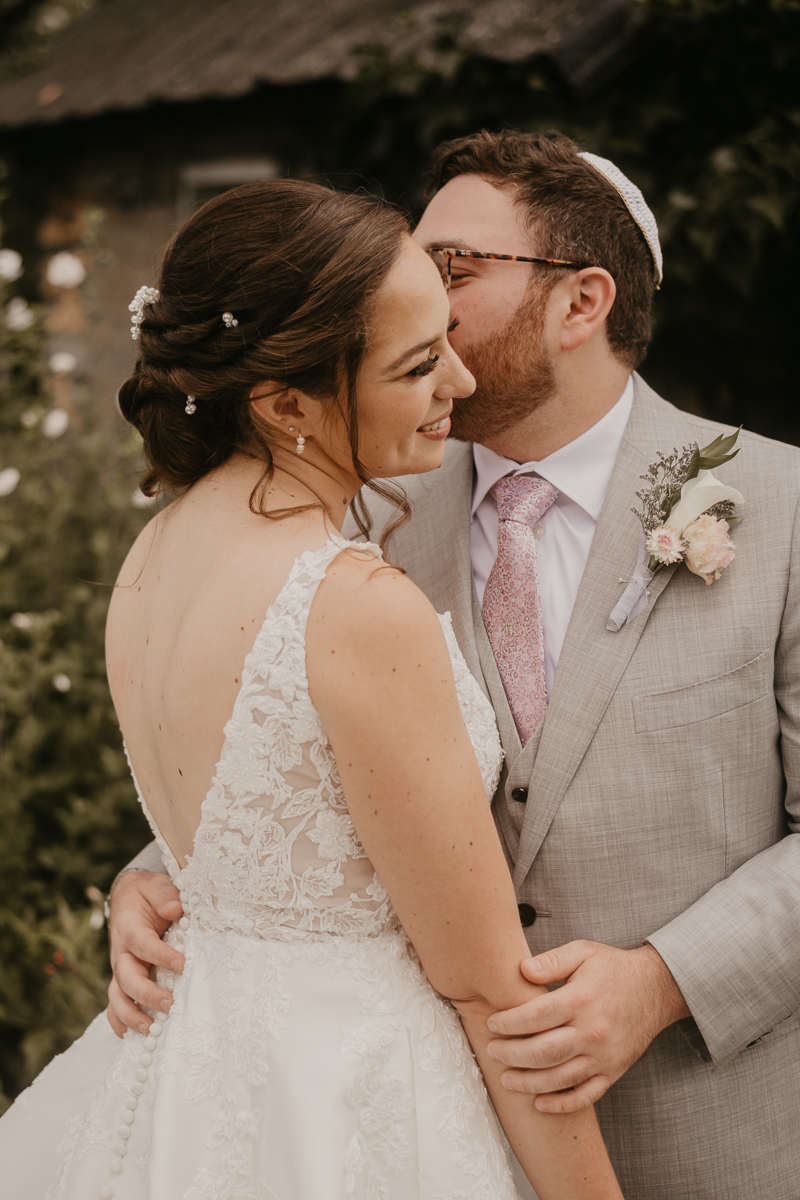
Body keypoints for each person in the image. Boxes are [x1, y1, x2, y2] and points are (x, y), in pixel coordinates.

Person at [108, 132, 800, 1199]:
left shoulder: (784, 509)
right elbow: (281, 751)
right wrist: (156, 877)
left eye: (454, 270)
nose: (415, 293)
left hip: (707, 1131)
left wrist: (663, 983)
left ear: (580, 304)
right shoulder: (360, 503)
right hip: (409, 1133)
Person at [0, 179, 625, 1200]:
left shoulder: (154, 555)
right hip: (347, 1100)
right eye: (417, 365)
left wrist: (137, 880)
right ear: (286, 402)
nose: (459, 381)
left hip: (189, 1074)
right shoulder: (352, 604)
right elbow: (481, 988)